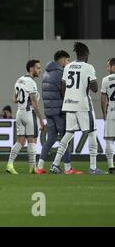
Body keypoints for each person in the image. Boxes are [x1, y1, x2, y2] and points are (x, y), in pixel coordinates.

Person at [50, 42, 106, 174]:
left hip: (69, 104)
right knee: (92, 133)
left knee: (68, 134)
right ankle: (93, 167)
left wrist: (69, 99)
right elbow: (95, 88)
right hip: (83, 106)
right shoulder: (88, 67)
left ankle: (55, 164)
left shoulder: (68, 66)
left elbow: (62, 87)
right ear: (86, 54)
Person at [37, 50, 82, 174]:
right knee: (64, 138)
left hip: (49, 111)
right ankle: (67, 168)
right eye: (67, 60)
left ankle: (40, 167)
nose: (68, 63)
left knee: (50, 138)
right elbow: (64, 92)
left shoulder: (46, 73)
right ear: (62, 60)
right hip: (59, 110)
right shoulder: (61, 73)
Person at [6, 60, 46, 175]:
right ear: (31, 68)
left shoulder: (19, 80)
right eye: (38, 68)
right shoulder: (31, 83)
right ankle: (33, 168)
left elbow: (14, 99)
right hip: (29, 113)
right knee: (32, 140)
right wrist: (41, 121)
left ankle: (9, 164)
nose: (39, 70)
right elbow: (35, 104)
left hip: (19, 113)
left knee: (20, 141)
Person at [101, 57, 115, 174]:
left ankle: (111, 167)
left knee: (109, 140)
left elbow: (103, 99)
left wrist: (104, 114)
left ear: (112, 67)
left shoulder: (106, 79)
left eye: (108, 66)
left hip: (111, 112)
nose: (107, 68)